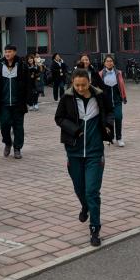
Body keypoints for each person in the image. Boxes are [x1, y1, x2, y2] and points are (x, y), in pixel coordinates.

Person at [55, 68, 114, 247]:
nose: (80, 88)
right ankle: (85, 206)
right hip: (74, 152)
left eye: (83, 85)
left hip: (95, 152)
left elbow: (110, 112)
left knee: (92, 192)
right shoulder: (67, 98)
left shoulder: (100, 96)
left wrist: (108, 125)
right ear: (72, 83)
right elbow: (59, 118)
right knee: (80, 188)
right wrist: (74, 130)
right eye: (77, 85)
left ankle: (95, 228)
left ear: (89, 82)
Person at [0, 44, 30, 159]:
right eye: (6, 52)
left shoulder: (22, 65)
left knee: (18, 127)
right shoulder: (0, 65)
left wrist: (28, 99)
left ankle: (17, 148)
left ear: (15, 52)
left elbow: (28, 83)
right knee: (4, 125)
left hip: (18, 103)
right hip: (4, 103)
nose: (7, 54)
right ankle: (7, 142)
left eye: (9, 51)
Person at [99, 55, 128, 146]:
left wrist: (124, 97)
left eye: (111, 61)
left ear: (113, 63)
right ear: (104, 63)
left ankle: (119, 138)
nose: (109, 63)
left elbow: (122, 86)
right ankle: (109, 137)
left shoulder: (118, 73)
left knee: (118, 117)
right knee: (109, 120)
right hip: (106, 101)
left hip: (117, 99)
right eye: (107, 61)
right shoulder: (100, 74)